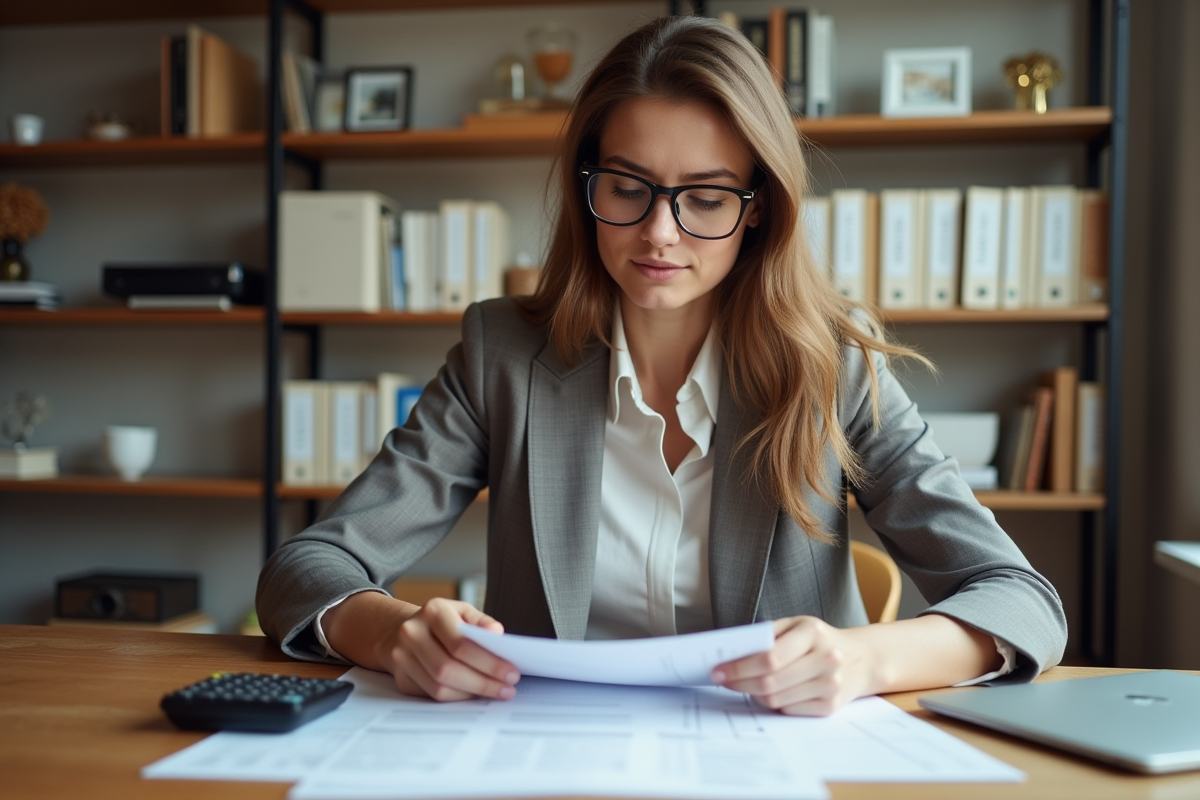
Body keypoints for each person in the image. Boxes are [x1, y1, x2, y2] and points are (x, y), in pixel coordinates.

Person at [257, 15, 1066, 717]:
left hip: (772, 762)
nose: (659, 234)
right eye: (628, 186)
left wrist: (867, 660)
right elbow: (307, 568)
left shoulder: (833, 367)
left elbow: (1022, 601)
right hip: (545, 757)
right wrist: (394, 632)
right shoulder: (499, 355)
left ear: (759, 211)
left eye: (706, 198)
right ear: (586, 188)